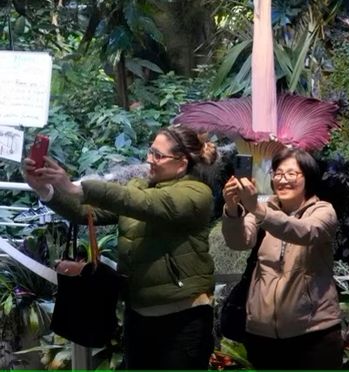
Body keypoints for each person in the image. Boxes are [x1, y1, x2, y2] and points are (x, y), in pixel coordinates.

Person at [23, 124, 218, 370]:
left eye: (158, 155)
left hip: (183, 320)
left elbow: (146, 204)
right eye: (150, 151)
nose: (150, 160)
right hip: (138, 316)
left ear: (181, 163)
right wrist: (45, 189)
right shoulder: (139, 186)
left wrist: (74, 186)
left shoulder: (196, 194)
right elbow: (87, 212)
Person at [221, 147, 342, 370]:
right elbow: (239, 241)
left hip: (313, 332)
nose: (282, 180)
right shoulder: (264, 209)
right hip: (262, 333)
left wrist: (257, 209)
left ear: (308, 177)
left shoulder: (323, 211)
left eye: (291, 174)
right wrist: (232, 208)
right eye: (277, 173)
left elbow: (303, 231)